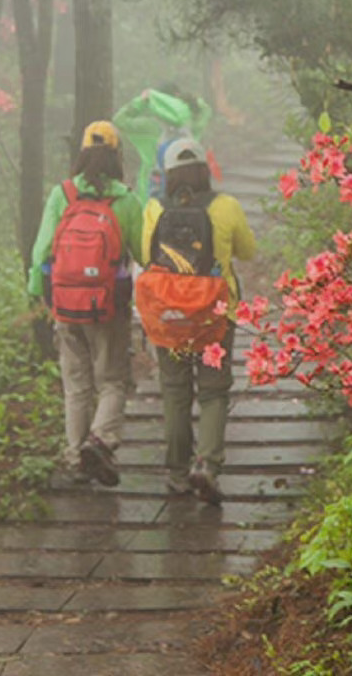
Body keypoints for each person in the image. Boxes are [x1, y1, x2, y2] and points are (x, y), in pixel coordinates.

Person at [27, 120, 144, 487]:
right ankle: (100, 439)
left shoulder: (62, 194)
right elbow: (143, 252)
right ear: (116, 156)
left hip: (66, 303)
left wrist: (40, 293)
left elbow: (40, 251)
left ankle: (76, 455)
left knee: (75, 383)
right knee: (112, 379)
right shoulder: (125, 199)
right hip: (108, 305)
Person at [141, 137, 255, 503]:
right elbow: (248, 251)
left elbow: (146, 254)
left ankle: (176, 472)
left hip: (171, 318)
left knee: (175, 391)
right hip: (214, 317)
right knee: (213, 391)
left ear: (168, 175)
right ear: (205, 169)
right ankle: (206, 464)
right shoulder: (226, 206)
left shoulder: (154, 209)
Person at [114, 86, 214, 204]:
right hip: (186, 193)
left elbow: (119, 119)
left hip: (150, 195)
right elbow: (206, 110)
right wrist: (191, 100)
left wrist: (141, 101)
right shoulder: (192, 126)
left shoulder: (149, 127)